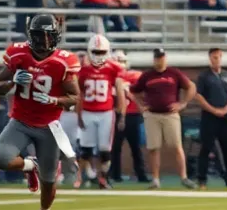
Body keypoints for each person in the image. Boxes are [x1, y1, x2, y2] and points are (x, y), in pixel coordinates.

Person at [0, 14, 80, 210]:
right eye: (40, 36)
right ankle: (31, 165)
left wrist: (55, 100)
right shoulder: (18, 54)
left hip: (49, 126)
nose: (45, 41)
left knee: (49, 181)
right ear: (31, 35)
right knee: (1, 159)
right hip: (21, 121)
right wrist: (13, 81)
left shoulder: (63, 62)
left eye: (48, 36)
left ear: (56, 36)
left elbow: (75, 98)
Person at [130, 48, 196, 190]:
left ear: (165, 58)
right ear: (153, 59)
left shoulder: (174, 73)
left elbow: (191, 87)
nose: (159, 60)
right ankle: (155, 179)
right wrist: (141, 106)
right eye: (157, 58)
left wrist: (183, 103)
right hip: (152, 115)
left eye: (161, 57)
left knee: (177, 146)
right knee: (154, 148)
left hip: (170, 114)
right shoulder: (147, 75)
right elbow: (134, 91)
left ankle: (184, 177)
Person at [76, 34, 124, 189]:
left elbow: (120, 91)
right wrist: (78, 114)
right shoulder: (83, 70)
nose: (98, 56)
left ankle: (103, 177)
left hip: (106, 113)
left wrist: (121, 114)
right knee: (86, 150)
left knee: (105, 150)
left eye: (102, 52)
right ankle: (85, 177)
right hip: (88, 112)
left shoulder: (113, 68)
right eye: (95, 52)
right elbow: (79, 94)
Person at [193, 48, 227, 190]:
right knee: (206, 148)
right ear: (209, 58)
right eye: (213, 57)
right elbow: (198, 96)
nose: (216, 60)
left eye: (218, 57)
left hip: (225, 118)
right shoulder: (204, 76)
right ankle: (202, 180)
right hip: (209, 117)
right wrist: (213, 110)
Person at [110, 49, 147, 184]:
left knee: (136, 147)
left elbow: (143, 92)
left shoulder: (135, 75)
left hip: (133, 114)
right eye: (117, 61)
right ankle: (115, 174)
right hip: (115, 113)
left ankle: (141, 174)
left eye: (122, 61)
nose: (120, 64)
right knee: (115, 147)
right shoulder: (109, 77)